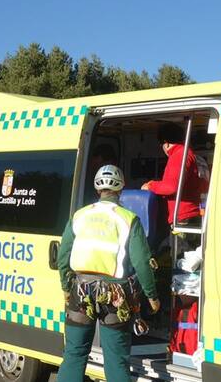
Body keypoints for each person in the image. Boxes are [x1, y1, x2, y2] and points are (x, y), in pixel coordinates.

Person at [57, 164, 160, 382]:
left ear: (97, 189)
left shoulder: (80, 215)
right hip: (116, 296)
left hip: (80, 291)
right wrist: (152, 296)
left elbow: (63, 257)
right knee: (115, 359)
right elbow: (141, 262)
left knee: (74, 354)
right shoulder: (128, 219)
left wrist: (66, 288)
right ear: (121, 188)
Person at [141, 123, 210, 227]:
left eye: (161, 145)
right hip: (194, 214)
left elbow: (171, 187)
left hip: (183, 218)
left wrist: (150, 186)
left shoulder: (178, 155)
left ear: (166, 143)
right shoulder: (192, 155)